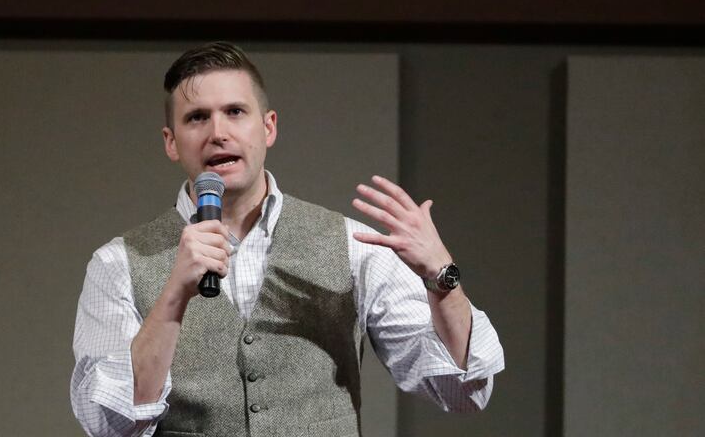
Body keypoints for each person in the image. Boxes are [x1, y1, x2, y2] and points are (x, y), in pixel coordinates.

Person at [71, 42, 504, 437]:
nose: (217, 132)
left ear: (269, 128)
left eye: (235, 112)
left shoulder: (352, 246)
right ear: (171, 142)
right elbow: (109, 427)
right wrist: (172, 296)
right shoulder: (118, 264)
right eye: (197, 117)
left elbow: (462, 393)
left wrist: (441, 278)